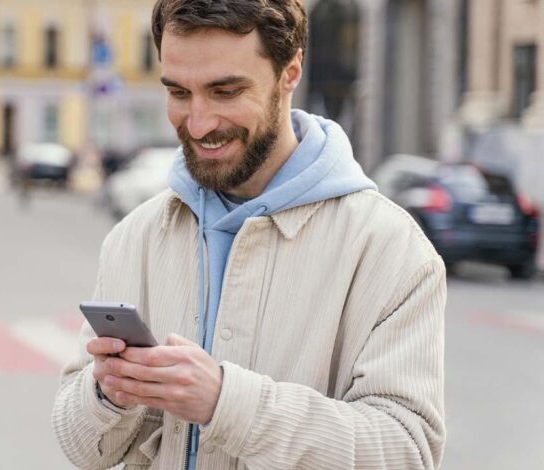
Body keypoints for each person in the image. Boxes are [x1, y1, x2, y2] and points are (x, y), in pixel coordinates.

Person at [52, 0, 446, 468]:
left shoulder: (390, 249)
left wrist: (226, 403)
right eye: (179, 93)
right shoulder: (134, 237)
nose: (198, 123)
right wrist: (108, 393)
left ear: (290, 72)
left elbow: (406, 452)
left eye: (225, 91)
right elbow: (80, 449)